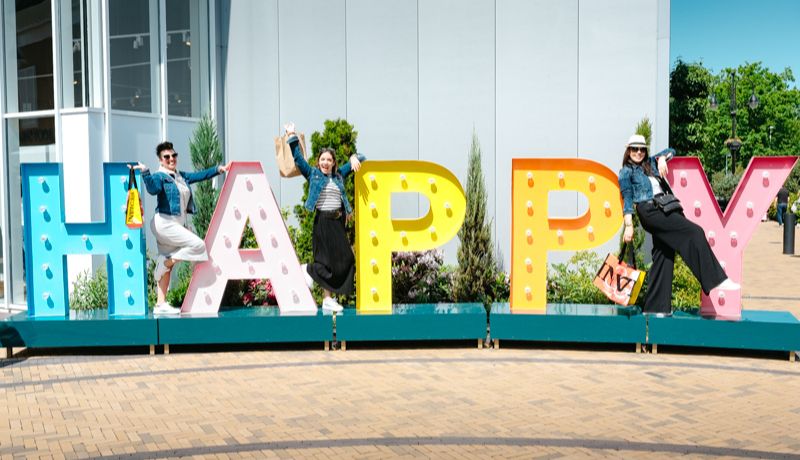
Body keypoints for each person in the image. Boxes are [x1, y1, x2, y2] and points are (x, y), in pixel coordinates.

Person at [618, 134, 739, 316]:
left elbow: (671, 151)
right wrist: (628, 224)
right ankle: (716, 280)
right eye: (635, 149)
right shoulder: (626, 172)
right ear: (628, 151)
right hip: (649, 211)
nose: (638, 152)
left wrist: (661, 159)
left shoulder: (650, 164)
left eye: (642, 149)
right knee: (695, 231)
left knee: (664, 253)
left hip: (665, 207)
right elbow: (627, 197)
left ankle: (656, 308)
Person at [130, 142, 231, 315]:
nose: (171, 159)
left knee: (167, 266)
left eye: (173, 155)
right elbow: (153, 189)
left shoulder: (180, 176)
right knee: (198, 245)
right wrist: (145, 172)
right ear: (160, 160)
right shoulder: (160, 176)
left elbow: (199, 175)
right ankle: (165, 262)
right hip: (165, 223)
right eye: (166, 157)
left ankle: (160, 304)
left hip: (173, 225)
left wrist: (218, 169)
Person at [284, 122, 365, 313]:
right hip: (322, 222)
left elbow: (362, 157)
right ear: (318, 162)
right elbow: (298, 160)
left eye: (329, 160)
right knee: (325, 263)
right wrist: (291, 135)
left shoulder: (339, 176)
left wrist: (353, 157)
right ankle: (323, 292)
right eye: (322, 159)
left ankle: (320, 286)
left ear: (334, 163)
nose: (325, 163)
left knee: (347, 260)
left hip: (337, 223)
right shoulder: (313, 174)